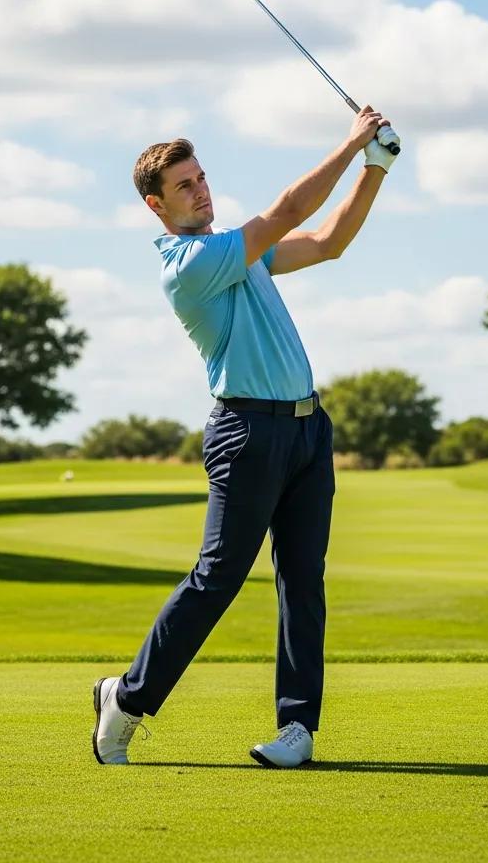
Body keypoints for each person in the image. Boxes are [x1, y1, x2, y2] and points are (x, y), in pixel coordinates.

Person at [92, 106, 400, 768]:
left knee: (302, 581)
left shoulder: (240, 252)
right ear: (157, 205)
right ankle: (127, 697)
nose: (200, 189)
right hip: (247, 433)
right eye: (184, 185)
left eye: (201, 177)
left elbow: (325, 243)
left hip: (307, 431)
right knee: (218, 578)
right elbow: (289, 211)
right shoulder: (192, 264)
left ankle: (297, 730)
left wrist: (375, 168)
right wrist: (350, 143)